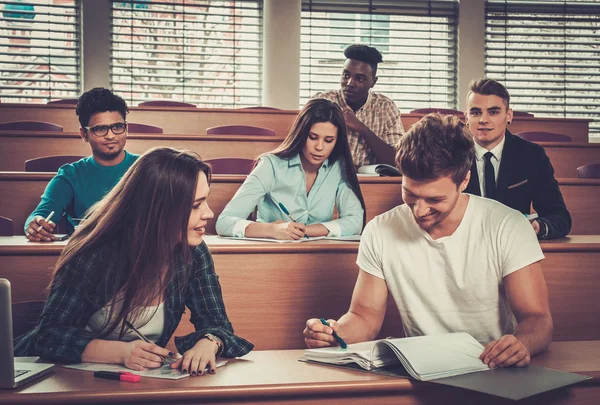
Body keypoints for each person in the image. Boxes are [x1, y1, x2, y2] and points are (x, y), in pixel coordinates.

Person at [303, 114, 553, 370]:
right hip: (420, 371)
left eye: (434, 200)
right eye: (410, 194)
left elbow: (537, 319)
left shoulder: (507, 226)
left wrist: (521, 343)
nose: (420, 210)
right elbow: (364, 317)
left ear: (464, 181)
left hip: (492, 369)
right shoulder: (379, 230)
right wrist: (334, 332)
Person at [15, 147, 253, 375]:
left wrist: (207, 344)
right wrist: (120, 353)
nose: (209, 213)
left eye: (205, 201)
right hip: (61, 378)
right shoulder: (94, 251)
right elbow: (49, 335)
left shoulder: (194, 252)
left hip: (137, 382)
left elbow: (219, 326)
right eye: (195, 205)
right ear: (158, 210)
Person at [216, 98, 365, 240]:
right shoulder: (270, 165)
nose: (319, 147)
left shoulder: (337, 168)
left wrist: (305, 231)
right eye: (312, 137)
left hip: (317, 256)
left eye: (328, 140)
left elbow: (356, 221)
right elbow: (224, 223)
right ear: (301, 134)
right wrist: (271, 230)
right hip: (271, 255)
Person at [24, 87, 139, 241]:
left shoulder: (146, 167)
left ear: (126, 128)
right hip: (87, 257)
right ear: (84, 134)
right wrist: (34, 224)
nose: (111, 136)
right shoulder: (70, 175)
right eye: (100, 129)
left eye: (117, 127)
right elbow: (42, 213)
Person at [464, 78, 571, 239]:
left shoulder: (533, 156)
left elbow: (560, 217)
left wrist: (538, 227)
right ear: (466, 117)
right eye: (475, 112)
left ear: (508, 116)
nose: (483, 120)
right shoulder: (451, 154)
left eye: (493, 112)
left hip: (513, 247)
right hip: (464, 246)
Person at [312, 44, 404, 168]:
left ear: (373, 82)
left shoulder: (386, 108)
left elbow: (396, 160)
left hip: (367, 183)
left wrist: (361, 128)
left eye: (359, 79)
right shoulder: (322, 101)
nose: (350, 83)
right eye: (346, 75)